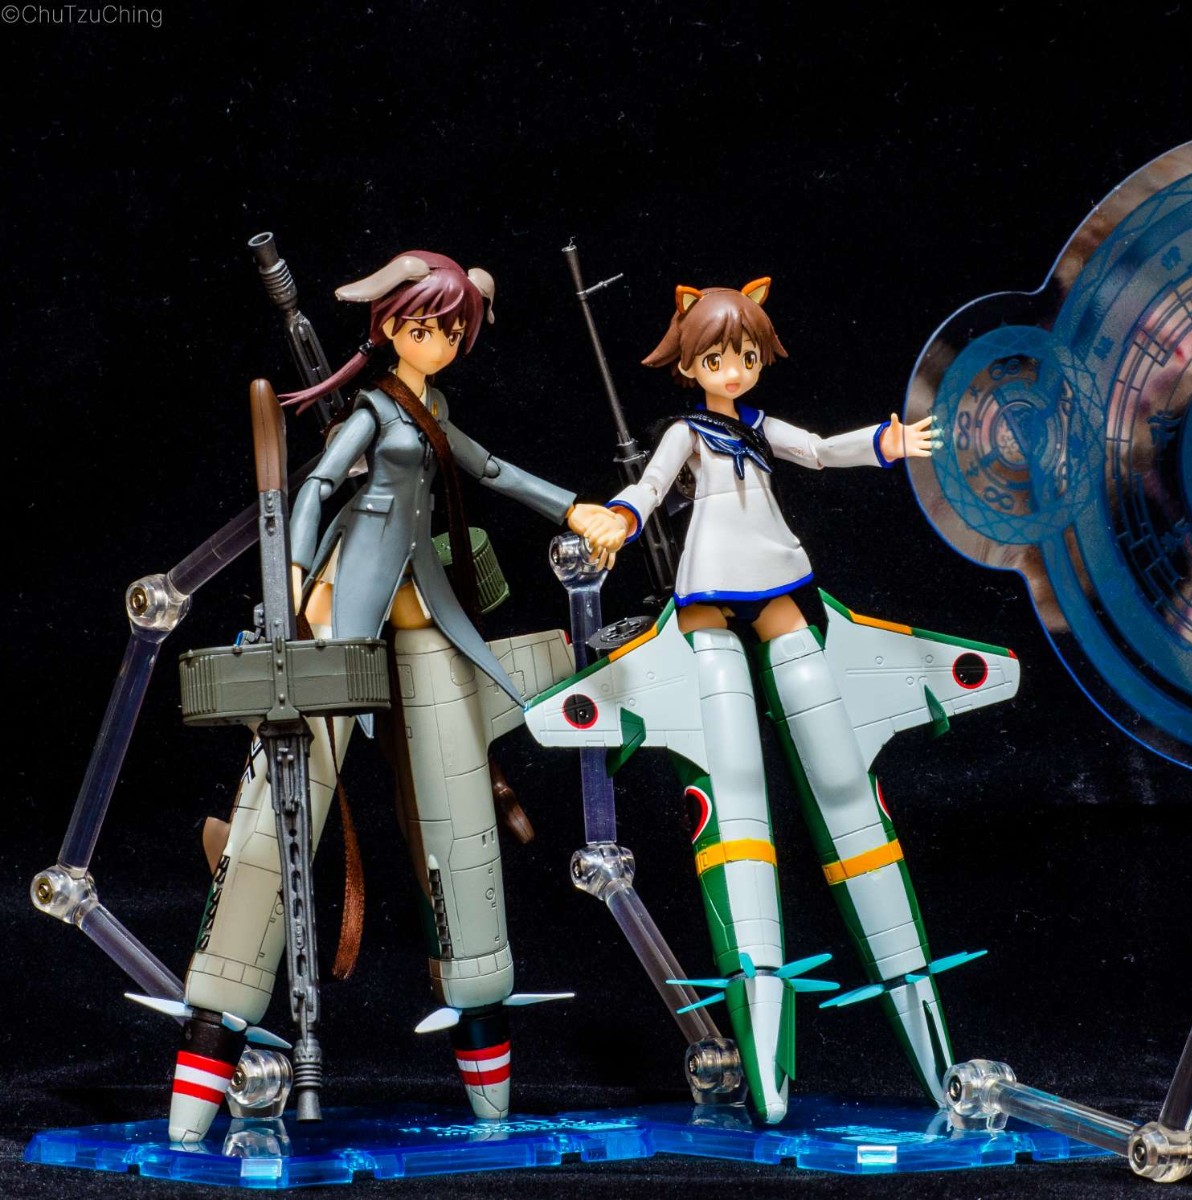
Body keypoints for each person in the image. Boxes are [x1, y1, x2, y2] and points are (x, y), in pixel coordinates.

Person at [166, 251, 625, 1142]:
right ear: (387, 328)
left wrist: (577, 510)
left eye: (451, 329)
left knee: (460, 812)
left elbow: (493, 471)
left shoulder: (433, 410)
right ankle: (212, 1038)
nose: (438, 341)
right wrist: (291, 573)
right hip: (344, 600)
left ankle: (485, 1053)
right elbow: (314, 486)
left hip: (425, 608)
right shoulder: (375, 411)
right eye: (424, 326)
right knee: (280, 813)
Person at [590, 278, 956, 1122]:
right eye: (720, 357)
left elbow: (820, 451)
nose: (736, 369)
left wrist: (888, 443)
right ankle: (761, 1042)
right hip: (708, 584)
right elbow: (650, 488)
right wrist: (618, 518)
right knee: (731, 757)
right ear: (690, 363)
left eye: (747, 355)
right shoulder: (686, 432)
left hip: (776, 577)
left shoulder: (756, 427)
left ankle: (915, 1033)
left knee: (819, 717)